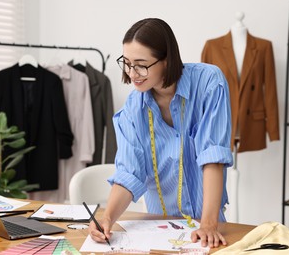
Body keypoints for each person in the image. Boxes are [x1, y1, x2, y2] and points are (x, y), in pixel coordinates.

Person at [88, 18, 233, 248]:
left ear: (166, 60)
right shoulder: (133, 109)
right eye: (126, 63)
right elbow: (128, 174)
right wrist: (106, 219)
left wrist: (208, 225)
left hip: (208, 224)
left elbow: (213, 157)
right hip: (159, 231)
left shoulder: (208, 84)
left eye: (141, 64)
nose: (132, 73)